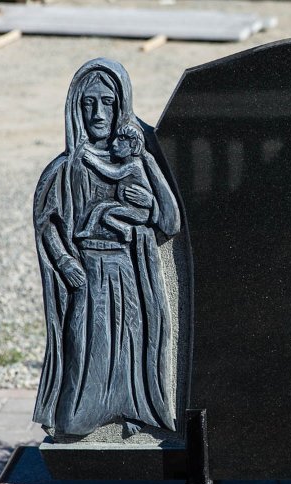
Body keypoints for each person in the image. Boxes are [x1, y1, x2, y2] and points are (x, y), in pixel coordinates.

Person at [32, 58, 181, 438]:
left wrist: (149, 201)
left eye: (108, 103)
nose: (98, 113)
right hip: (88, 272)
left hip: (129, 272)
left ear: (121, 107)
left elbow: (170, 222)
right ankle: (81, 418)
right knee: (87, 343)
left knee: (130, 340)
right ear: (76, 109)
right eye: (89, 103)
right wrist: (65, 262)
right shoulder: (66, 168)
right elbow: (47, 223)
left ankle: (132, 412)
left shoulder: (137, 162)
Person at [77, 123, 153, 242]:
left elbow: (114, 173)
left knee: (106, 215)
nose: (114, 143)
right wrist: (87, 149)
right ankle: (88, 230)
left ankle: (125, 230)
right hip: (126, 206)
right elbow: (105, 153)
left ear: (133, 143)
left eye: (121, 139)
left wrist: (95, 162)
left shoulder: (134, 165)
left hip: (138, 212)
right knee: (100, 207)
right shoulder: (128, 162)